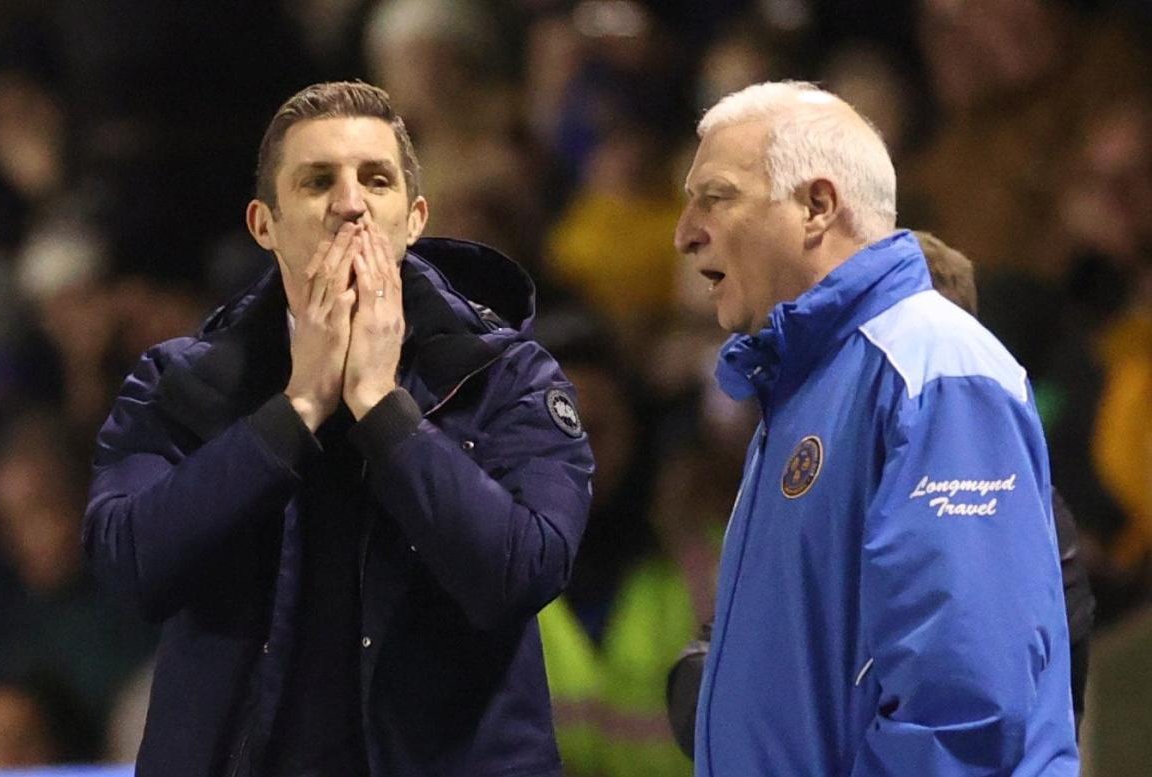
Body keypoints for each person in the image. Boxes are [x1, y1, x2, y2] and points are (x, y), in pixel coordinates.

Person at [83, 81, 594, 777]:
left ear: (413, 217)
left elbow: (519, 572)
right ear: (264, 223)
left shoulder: (507, 376)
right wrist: (295, 408)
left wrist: (381, 408)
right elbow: (131, 568)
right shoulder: (180, 384)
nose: (349, 203)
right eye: (317, 181)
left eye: (375, 180)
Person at [672, 81, 1077, 775]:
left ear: (816, 206)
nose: (683, 233)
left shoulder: (932, 367)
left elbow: (963, 706)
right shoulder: (807, 386)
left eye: (716, 196)